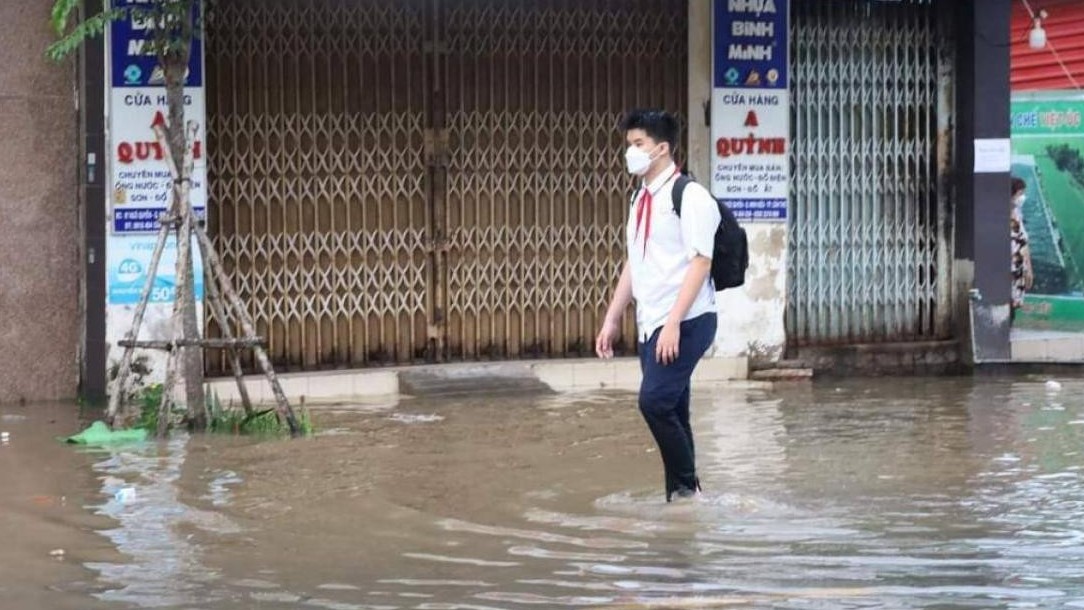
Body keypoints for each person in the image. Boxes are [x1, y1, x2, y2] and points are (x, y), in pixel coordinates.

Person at [595, 109, 721, 502]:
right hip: (653, 322)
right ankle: (681, 494)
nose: (630, 152)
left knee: (654, 402)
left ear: (662, 148)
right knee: (674, 408)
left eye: (638, 145)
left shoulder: (689, 196)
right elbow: (636, 260)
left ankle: (687, 489)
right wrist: (612, 318)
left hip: (687, 320)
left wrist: (673, 323)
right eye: (628, 145)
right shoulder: (640, 198)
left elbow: (702, 261)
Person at [1010, 177, 1033, 324]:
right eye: (1020, 193)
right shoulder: (1012, 215)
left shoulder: (1015, 212)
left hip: (1016, 266)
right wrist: (1027, 268)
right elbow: (1020, 241)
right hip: (1012, 267)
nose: (1022, 197)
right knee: (1010, 301)